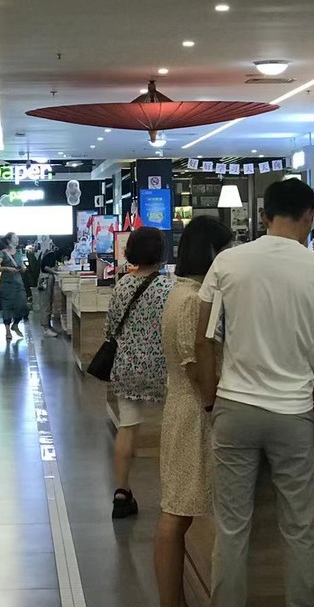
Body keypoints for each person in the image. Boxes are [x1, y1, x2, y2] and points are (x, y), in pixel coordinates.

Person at [194, 178, 314, 607]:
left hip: (235, 406)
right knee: (299, 528)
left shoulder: (227, 262)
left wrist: (211, 399)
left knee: (231, 527)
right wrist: (312, 407)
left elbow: (203, 340)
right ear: (310, 216)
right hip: (293, 413)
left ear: (263, 216)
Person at [155, 217, 235, 607]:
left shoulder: (182, 292)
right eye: (226, 249)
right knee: (177, 512)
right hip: (193, 414)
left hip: (184, 408)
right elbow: (195, 365)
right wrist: (214, 401)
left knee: (178, 510)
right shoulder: (191, 300)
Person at [106, 226, 173, 519]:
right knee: (171, 428)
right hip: (163, 369)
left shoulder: (122, 286)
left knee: (128, 426)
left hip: (127, 366)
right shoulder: (169, 289)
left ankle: (121, 492)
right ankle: (173, 493)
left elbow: (110, 328)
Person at [0, 232, 29, 340]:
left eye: (17, 237)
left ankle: (16, 324)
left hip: (19, 283)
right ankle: (7, 331)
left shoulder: (18, 253)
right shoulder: (2, 253)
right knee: (7, 307)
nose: (17, 239)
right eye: (15, 237)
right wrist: (7, 268)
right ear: (9, 240)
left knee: (23, 305)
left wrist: (23, 269)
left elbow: (22, 266)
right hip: (6, 284)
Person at [37, 238, 61, 338]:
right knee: (45, 303)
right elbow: (46, 267)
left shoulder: (47, 253)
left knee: (48, 302)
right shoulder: (51, 254)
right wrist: (56, 272)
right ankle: (46, 328)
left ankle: (48, 326)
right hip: (46, 280)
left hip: (46, 279)